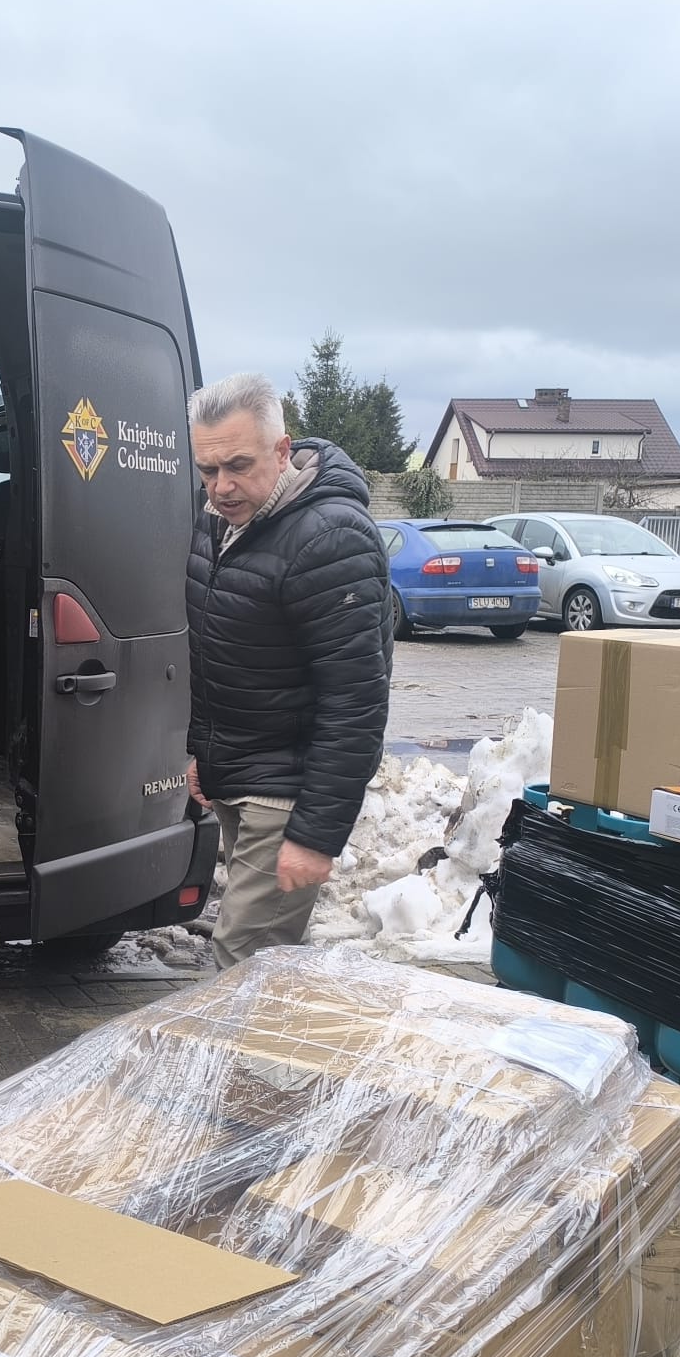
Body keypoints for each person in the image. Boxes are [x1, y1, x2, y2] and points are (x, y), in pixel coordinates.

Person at [183, 373, 391, 970]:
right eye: (207, 469)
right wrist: (204, 753)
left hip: (287, 792)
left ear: (282, 451)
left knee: (246, 961)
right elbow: (218, 654)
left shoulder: (330, 538)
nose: (221, 487)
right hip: (240, 773)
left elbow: (355, 702)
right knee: (256, 963)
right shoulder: (219, 520)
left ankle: (243, 1042)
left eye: (238, 466)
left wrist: (314, 835)